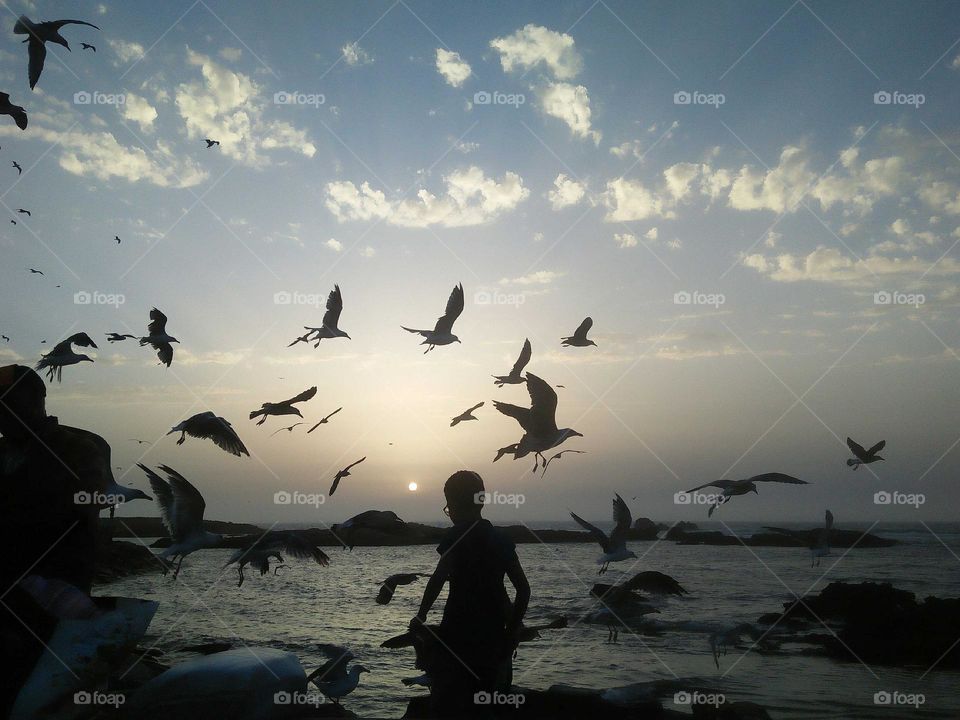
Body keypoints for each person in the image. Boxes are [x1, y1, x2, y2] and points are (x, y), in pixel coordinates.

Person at [0, 365, 110, 715]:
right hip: (7, 587)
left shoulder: (80, 448)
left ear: (36, 401)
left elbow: (81, 508)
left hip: (57, 587)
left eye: (8, 403)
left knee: (43, 688)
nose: (2, 413)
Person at [410, 470, 530, 718]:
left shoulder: (455, 537)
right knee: (490, 702)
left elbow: (438, 579)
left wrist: (420, 616)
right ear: (482, 500)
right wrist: (513, 631)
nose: (449, 512)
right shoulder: (501, 539)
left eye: (448, 506)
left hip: (457, 635)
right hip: (495, 636)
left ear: (452, 505)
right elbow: (523, 590)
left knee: (449, 704)